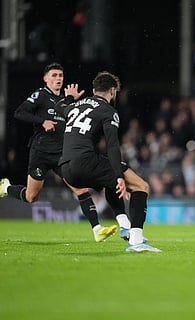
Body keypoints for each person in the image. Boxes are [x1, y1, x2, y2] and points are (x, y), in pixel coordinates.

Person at [0, 63, 129, 242]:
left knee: (81, 189)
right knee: (31, 197)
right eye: (54, 75)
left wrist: (71, 100)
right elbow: (19, 112)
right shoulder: (40, 96)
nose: (58, 79)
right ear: (46, 78)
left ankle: (97, 229)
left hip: (62, 153)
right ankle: (5, 188)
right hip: (41, 151)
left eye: (60, 75)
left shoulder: (65, 101)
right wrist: (42, 121)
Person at [57, 71, 160, 252]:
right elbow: (112, 145)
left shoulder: (75, 106)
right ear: (112, 91)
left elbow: (60, 109)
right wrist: (119, 175)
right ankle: (136, 241)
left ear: (94, 89)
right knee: (140, 186)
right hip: (84, 162)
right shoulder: (108, 111)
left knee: (109, 181)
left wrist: (69, 98)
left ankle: (124, 224)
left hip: (65, 169)